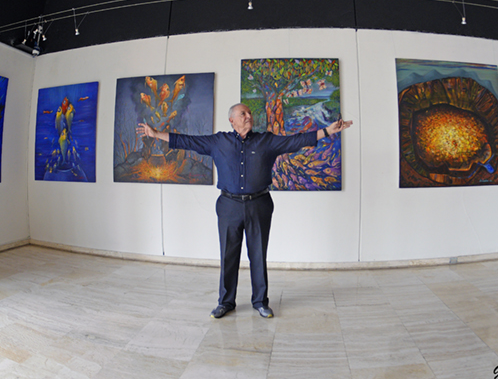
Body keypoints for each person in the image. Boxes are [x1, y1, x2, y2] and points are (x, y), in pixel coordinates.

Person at [137, 103, 353, 319]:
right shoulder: (218, 142)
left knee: (258, 255)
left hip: (259, 204)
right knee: (228, 255)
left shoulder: (266, 141)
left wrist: (327, 131)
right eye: (243, 114)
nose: (248, 116)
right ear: (232, 120)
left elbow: (295, 141)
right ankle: (225, 302)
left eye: (249, 113)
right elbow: (187, 141)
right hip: (228, 206)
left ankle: (260, 302)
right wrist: (156, 134)